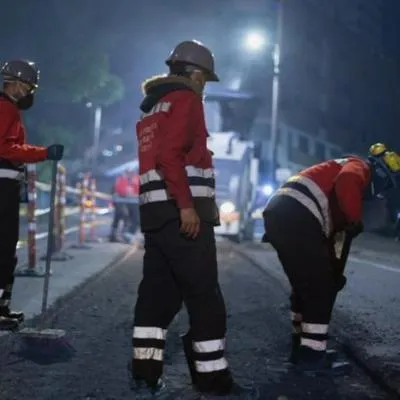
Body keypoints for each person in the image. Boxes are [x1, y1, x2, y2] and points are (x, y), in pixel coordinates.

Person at [130, 40, 245, 397]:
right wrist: (186, 207)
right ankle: (213, 380)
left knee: (156, 296)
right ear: (195, 75)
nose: (205, 87)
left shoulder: (153, 108)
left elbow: (157, 157)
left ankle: (145, 374)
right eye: (205, 80)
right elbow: (170, 155)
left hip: (155, 214)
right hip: (182, 213)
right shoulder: (187, 99)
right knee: (204, 296)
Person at [262, 143, 400, 374]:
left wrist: (334, 270)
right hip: (297, 215)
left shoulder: (334, 175)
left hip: (282, 214)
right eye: (385, 184)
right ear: (380, 172)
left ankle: (302, 346)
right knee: (320, 287)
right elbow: (347, 182)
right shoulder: (359, 167)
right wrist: (354, 220)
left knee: (307, 283)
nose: (379, 192)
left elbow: (329, 243)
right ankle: (313, 357)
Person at [0, 59, 64, 330]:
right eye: (27, 87)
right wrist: (43, 153)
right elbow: (5, 148)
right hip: (2, 186)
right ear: (13, 83)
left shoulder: (8, 108)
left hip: (7, 184)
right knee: (4, 249)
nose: (29, 94)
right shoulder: (5, 109)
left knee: (5, 249)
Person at [109, 169, 131, 242]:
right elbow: (117, 190)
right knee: (122, 217)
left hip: (123, 202)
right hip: (119, 202)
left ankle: (118, 235)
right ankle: (116, 235)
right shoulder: (120, 180)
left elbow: (126, 191)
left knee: (121, 218)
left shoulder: (127, 181)